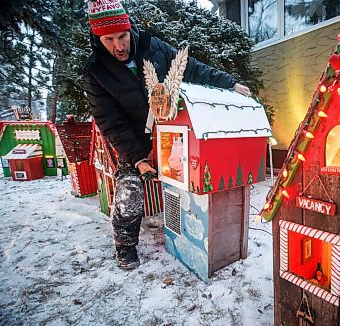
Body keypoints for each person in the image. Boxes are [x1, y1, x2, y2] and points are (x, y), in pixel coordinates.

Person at [83, 0, 251, 270]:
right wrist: (138, 159)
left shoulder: (152, 46)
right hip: (135, 142)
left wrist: (229, 83)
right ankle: (125, 246)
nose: (119, 46)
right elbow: (111, 122)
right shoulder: (95, 72)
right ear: (97, 38)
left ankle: (192, 234)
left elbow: (191, 68)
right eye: (109, 39)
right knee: (129, 192)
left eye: (123, 36)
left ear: (129, 29)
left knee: (191, 178)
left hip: (171, 132)